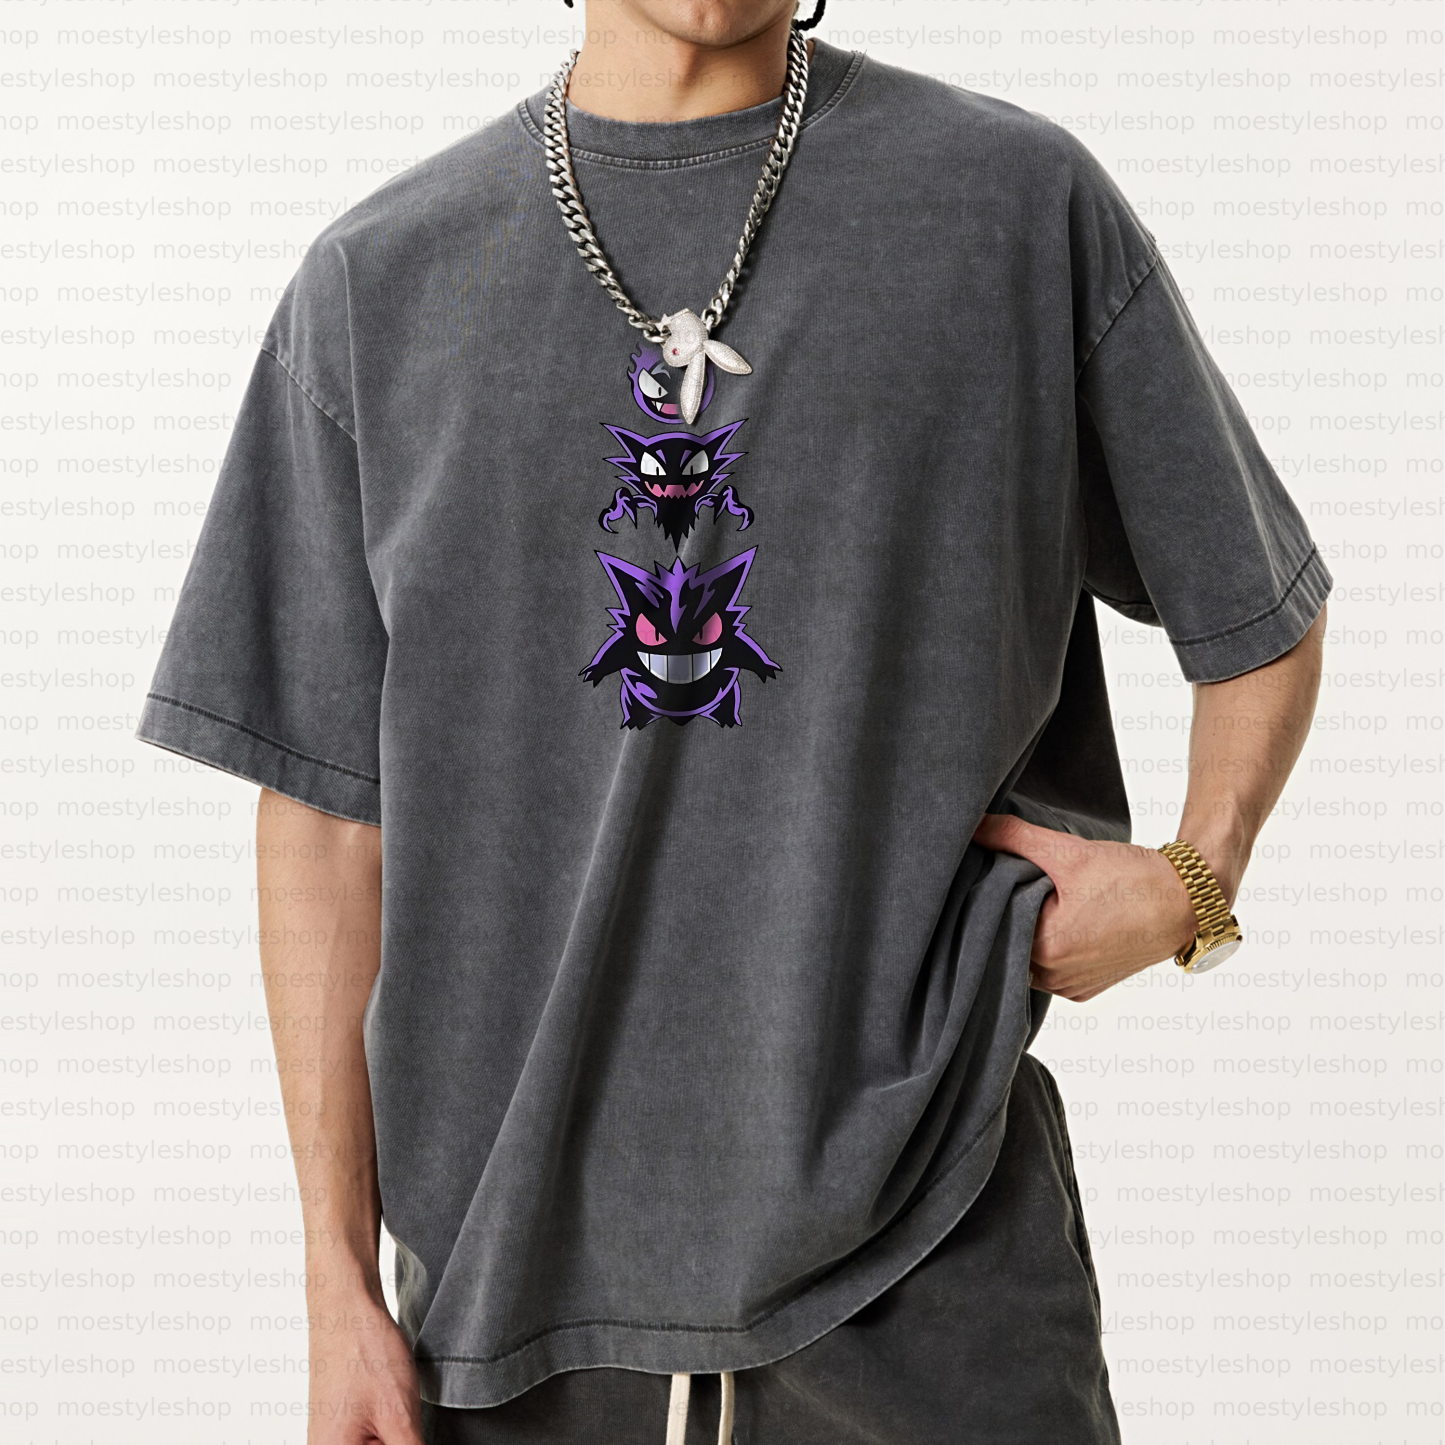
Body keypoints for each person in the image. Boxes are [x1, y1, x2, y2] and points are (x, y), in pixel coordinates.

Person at [137, 2, 1328, 1441]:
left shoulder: (1016, 210)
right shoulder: (376, 285)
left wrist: (1198, 877)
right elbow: (327, 821)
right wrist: (333, 1286)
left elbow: (1258, 608)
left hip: (934, 1261)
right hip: (505, 1321)